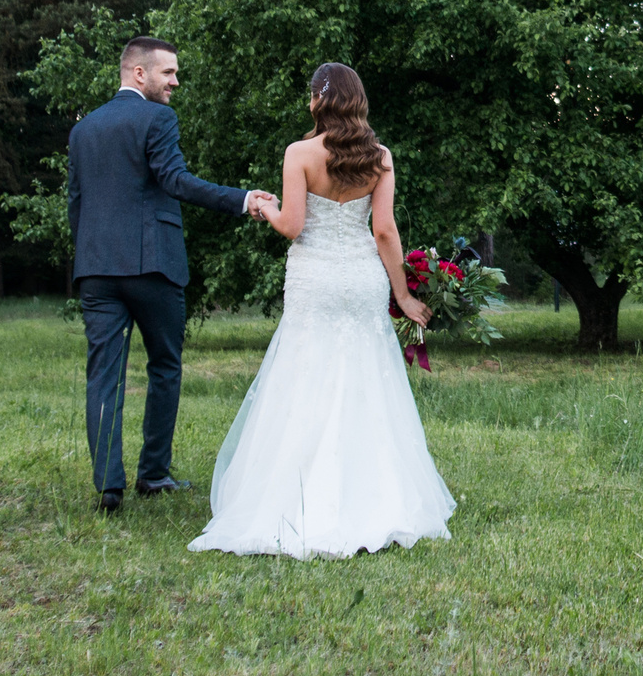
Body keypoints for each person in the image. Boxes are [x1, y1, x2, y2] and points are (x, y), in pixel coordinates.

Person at [190, 62, 456, 558]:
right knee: (364, 377)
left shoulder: (299, 153)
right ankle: (376, 496)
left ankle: (295, 499)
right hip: (359, 279)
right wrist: (403, 295)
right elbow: (384, 231)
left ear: (318, 100)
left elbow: (292, 225)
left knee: (304, 374)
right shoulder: (378, 157)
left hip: (314, 279)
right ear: (357, 102)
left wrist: (263, 207)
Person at [66, 35, 278, 513]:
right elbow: (175, 180)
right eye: (169, 72)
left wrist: (90, 258)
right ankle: (154, 474)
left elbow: (76, 205)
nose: (175, 81)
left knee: (103, 375)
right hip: (152, 265)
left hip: (96, 269)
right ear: (139, 73)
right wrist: (243, 199)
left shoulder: (84, 130)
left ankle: (109, 487)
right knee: (164, 366)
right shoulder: (158, 117)